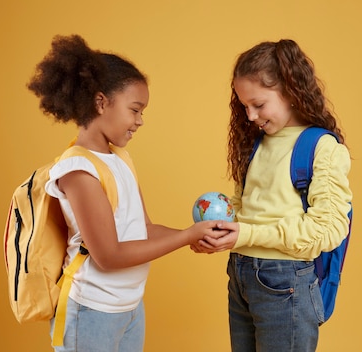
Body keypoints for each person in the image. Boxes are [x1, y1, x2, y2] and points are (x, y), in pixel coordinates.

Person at [27, 34, 226, 351]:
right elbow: (108, 256)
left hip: (130, 306)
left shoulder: (119, 158)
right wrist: (187, 235)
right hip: (91, 312)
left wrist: (194, 236)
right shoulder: (79, 170)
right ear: (101, 101)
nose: (140, 121)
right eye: (135, 109)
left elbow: (145, 229)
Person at [192, 39, 353, 351]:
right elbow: (245, 208)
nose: (250, 116)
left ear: (291, 92)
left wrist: (244, 233)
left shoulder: (321, 148)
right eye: (244, 106)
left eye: (258, 104)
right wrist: (220, 230)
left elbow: (328, 229)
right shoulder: (257, 145)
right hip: (240, 273)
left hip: (284, 282)